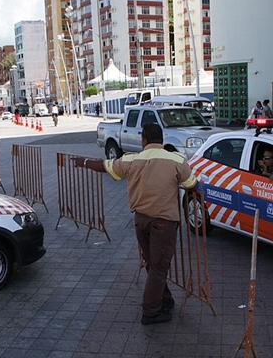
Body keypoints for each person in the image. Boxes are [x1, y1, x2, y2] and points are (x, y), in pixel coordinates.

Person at [72, 124, 197, 325]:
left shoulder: (131, 159)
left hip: (141, 221)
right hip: (163, 223)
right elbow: (192, 185)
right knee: (158, 266)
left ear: (144, 140)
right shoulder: (176, 160)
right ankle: (150, 311)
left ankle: (165, 299)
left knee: (153, 265)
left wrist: (83, 162)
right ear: (161, 139)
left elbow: (104, 166)